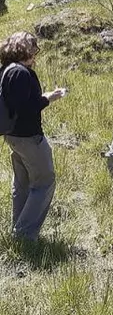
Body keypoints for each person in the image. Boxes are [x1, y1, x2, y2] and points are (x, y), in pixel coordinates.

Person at [0, 32, 66, 240]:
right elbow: (26, 108)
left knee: (22, 183)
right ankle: (25, 235)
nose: (35, 55)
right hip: (29, 137)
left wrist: (44, 98)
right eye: (34, 49)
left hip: (12, 136)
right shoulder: (22, 73)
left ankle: (18, 228)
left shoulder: (5, 70)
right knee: (44, 182)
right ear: (26, 50)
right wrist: (47, 99)